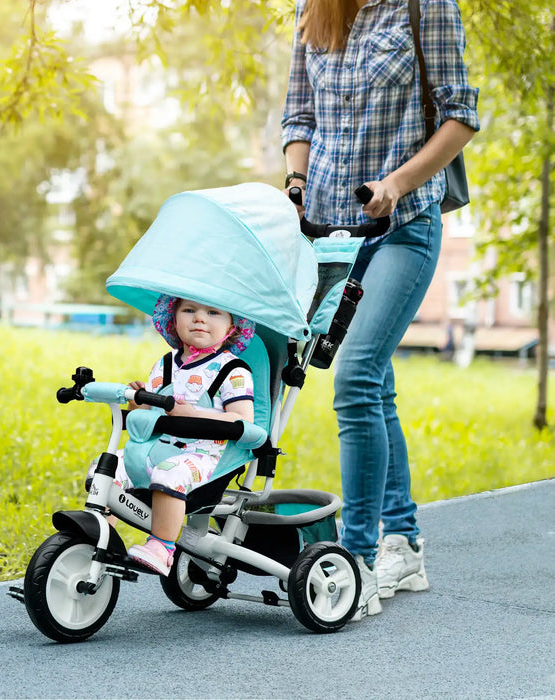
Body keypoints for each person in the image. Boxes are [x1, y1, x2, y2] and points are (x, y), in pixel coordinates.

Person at [281, 0, 479, 620]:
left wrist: (396, 183)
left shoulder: (427, 8)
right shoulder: (314, 10)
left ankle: (358, 561)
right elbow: (300, 114)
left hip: (402, 225)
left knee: (357, 376)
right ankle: (405, 543)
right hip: (330, 232)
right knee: (377, 385)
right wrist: (294, 182)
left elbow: (461, 115)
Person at [93, 295, 256, 576]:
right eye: (189, 310)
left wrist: (193, 414)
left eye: (214, 311)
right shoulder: (166, 364)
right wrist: (138, 404)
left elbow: (243, 420)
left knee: (170, 473)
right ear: (174, 318)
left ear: (232, 326)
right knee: (104, 467)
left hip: (205, 455)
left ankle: (162, 546)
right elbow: (153, 413)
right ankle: (101, 535)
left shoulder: (233, 370)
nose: (200, 318)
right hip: (157, 447)